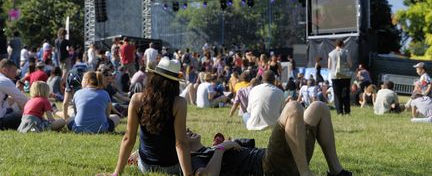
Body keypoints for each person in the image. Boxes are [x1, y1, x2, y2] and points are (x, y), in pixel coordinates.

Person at [186, 101, 351, 176]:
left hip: (288, 158)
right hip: (267, 166)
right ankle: (304, 173)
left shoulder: (208, 148)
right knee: (293, 107)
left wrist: (230, 143)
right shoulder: (195, 158)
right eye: (185, 132)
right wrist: (222, 148)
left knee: (319, 107)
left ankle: (336, 170)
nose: (189, 130)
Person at [114, 57, 192, 175]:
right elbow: (181, 144)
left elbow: (128, 139)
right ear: (175, 82)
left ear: (154, 77)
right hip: (171, 167)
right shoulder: (179, 103)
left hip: (146, 166)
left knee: (139, 152)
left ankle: (135, 156)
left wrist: (116, 173)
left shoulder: (137, 99)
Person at [0, 59, 29, 130]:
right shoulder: (4, 80)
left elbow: (6, 103)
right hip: (1, 122)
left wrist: (16, 89)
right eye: (13, 71)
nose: (15, 74)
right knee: (29, 114)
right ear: (4, 70)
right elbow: (24, 100)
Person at [328, 39, 353, 115]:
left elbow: (329, 66)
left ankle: (339, 112)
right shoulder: (346, 52)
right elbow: (350, 64)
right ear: (342, 44)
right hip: (345, 76)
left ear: (335, 45)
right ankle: (347, 111)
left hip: (335, 76)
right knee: (345, 94)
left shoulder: (330, 54)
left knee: (337, 94)